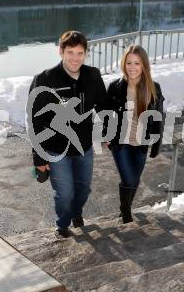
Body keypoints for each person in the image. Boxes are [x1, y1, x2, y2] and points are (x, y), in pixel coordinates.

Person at [27, 30, 107, 238]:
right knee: (64, 193)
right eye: (70, 52)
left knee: (83, 189)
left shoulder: (92, 75)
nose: (75, 58)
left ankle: (76, 212)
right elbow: (36, 121)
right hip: (56, 150)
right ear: (60, 51)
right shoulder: (44, 80)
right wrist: (39, 157)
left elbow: (104, 106)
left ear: (86, 54)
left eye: (80, 53)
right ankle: (62, 225)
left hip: (84, 146)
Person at [105, 45, 165, 223]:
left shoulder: (154, 88)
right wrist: (107, 135)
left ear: (144, 65)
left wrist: (156, 144)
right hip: (120, 142)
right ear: (124, 64)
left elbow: (158, 118)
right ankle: (126, 213)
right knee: (129, 179)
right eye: (129, 63)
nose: (132, 67)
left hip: (142, 143)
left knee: (135, 180)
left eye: (137, 63)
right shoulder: (115, 87)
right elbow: (106, 115)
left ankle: (125, 207)